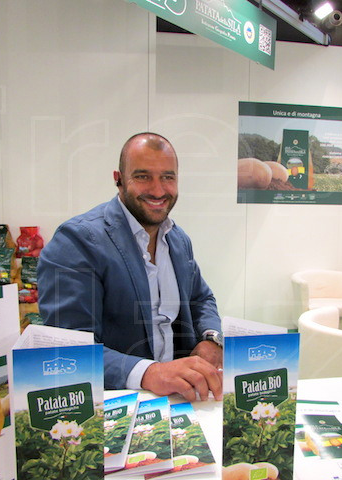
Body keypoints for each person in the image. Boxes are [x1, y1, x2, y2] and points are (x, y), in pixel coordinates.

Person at [38, 132, 223, 402]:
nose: (158, 190)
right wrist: (149, 373)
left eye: (167, 177)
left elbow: (201, 299)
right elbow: (69, 350)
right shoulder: (76, 242)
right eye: (143, 176)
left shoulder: (178, 240)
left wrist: (211, 339)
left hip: (181, 400)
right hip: (113, 405)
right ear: (119, 179)